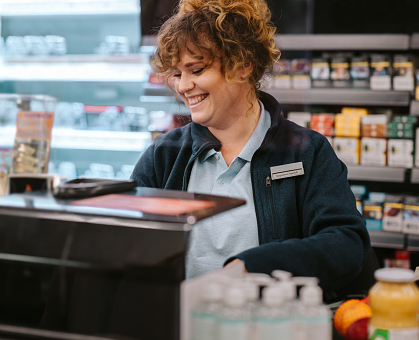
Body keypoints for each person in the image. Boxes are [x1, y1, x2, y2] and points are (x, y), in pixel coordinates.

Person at [131, 0, 371, 300]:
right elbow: (128, 239)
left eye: (196, 69)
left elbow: (346, 244)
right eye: (177, 73)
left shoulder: (307, 153)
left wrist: (254, 267)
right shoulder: (164, 156)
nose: (183, 85)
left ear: (242, 65)